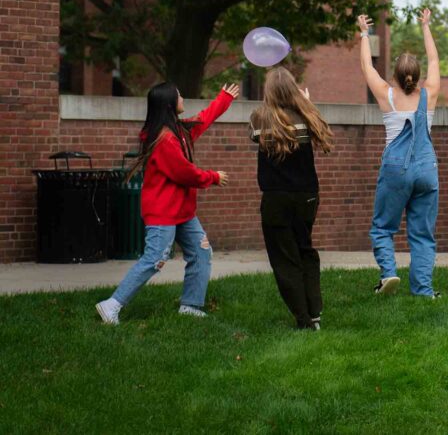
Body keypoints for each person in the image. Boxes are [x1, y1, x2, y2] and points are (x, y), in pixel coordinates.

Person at [96, 83, 238, 325]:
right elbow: (184, 173)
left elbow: (203, 120)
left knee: (201, 251)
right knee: (154, 259)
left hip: (182, 212)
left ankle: (191, 306)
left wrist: (224, 98)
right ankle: (112, 305)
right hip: (163, 212)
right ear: (170, 104)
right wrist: (213, 177)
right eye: (179, 94)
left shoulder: (178, 131)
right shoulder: (165, 140)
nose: (183, 97)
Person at [358, 8, 441, 297]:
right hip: (427, 169)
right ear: (417, 76)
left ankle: (389, 273)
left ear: (394, 74)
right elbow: (433, 59)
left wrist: (364, 34)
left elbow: (367, 67)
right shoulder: (429, 93)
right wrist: (426, 26)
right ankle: (423, 290)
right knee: (422, 233)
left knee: (383, 226)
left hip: (396, 168)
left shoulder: (386, 94)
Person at [250, 68, 333, 329]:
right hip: (307, 196)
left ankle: (303, 318)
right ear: (293, 89)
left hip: (276, 199)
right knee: (305, 249)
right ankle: (315, 311)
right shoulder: (308, 115)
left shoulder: (260, 117)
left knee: (285, 258)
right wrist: (305, 101)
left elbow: (255, 137)